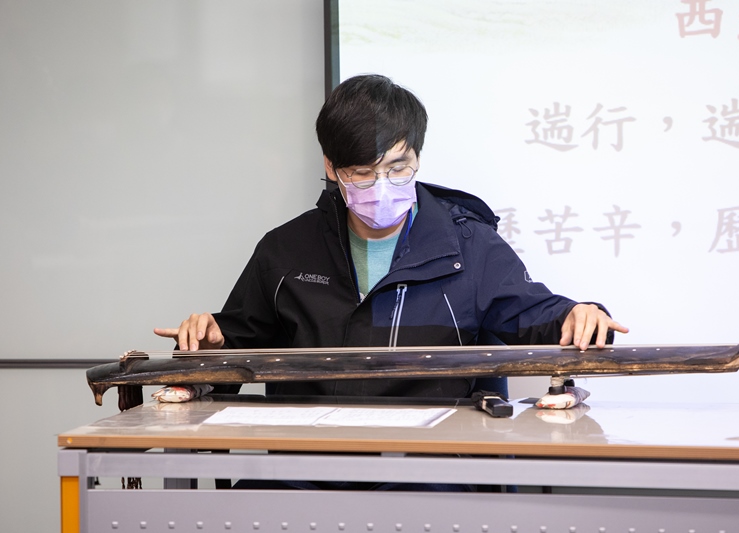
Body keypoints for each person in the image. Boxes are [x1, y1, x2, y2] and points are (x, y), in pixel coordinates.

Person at [154, 73, 628, 400]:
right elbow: (236, 346)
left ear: (417, 157)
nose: (382, 186)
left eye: (398, 168)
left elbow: (534, 315)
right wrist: (207, 346)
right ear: (331, 167)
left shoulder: (468, 245)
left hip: (432, 466)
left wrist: (579, 315)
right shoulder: (286, 250)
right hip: (310, 464)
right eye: (362, 172)